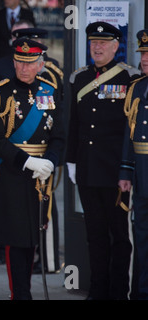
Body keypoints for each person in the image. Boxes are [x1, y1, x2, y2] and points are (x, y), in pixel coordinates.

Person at [0, 38, 65, 300]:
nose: (24, 68)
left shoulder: (49, 90)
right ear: (14, 62)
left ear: (40, 65)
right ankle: (20, 294)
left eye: (30, 64)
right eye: (19, 62)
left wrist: (50, 160)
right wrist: (26, 161)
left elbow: (59, 134)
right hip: (12, 172)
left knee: (33, 237)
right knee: (15, 239)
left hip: (41, 175)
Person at [66, 22, 139, 300]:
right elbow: (74, 123)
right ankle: (98, 290)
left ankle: (119, 291)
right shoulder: (79, 78)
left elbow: (130, 129)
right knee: (94, 233)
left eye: (103, 43)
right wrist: (71, 160)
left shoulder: (129, 78)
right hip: (86, 167)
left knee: (119, 235)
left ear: (115, 46)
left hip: (115, 170)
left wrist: (128, 168)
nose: (97, 48)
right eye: (93, 43)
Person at [118, 29, 148, 300]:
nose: (146, 59)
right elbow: (131, 132)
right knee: (142, 236)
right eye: (143, 54)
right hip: (141, 176)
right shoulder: (138, 86)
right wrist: (126, 171)